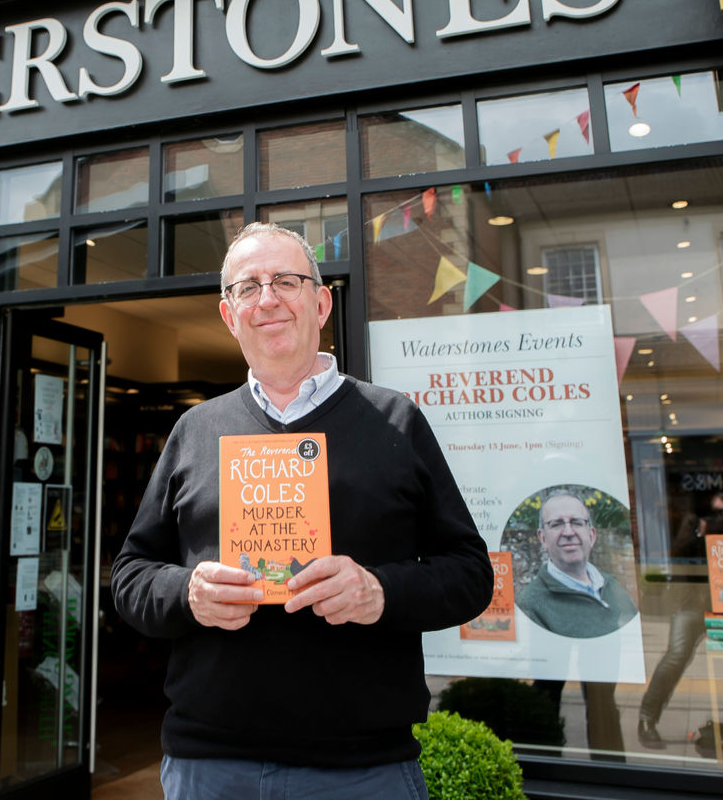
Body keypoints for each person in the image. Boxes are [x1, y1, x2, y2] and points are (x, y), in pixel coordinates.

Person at [111, 223, 493, 800]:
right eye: (248, 287)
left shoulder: (395, 420)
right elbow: (130, 575)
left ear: (321, 304)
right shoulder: (195, 430)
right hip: (209, 767)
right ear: (229, 315)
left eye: (285, 281)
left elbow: (470, 573)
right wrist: (187, 593)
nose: (267, 299)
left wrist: (379, 591)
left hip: (362, 770)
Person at [637, 492, 723, 749]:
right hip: (693, 601)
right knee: (676, 655)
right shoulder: (692, 519)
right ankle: (646, 718)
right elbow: (677, 551)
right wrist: (700, 529)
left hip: (716, 600)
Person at [517, 490, 637, 638]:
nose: (568, 532)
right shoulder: (530, 603)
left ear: (591, 535)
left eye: (577, 522)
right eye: (556, 524)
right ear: (543, 538)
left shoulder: (612, 585)